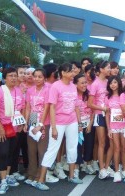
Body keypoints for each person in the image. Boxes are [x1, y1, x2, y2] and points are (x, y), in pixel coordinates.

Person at [36, 63, 83, 191]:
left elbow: (76, 105)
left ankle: (72, 176)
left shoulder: (73, 87)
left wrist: (79, 123)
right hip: (59, 122)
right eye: (70, 72)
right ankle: (41, 180)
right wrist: (54, 127)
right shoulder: (56, 86)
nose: (72, 74)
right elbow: (52, 107)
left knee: (72, 148)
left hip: (72, 121)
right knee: (52, 149)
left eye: (73, 72)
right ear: (62, 73)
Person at [0, 67, 25, 194]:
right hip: (2, 128)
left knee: (11, 153)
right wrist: (0, 128)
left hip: (15, 128)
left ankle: (8, 176)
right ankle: (3, 181)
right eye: (10, 76)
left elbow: (21, 108)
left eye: (15, 75)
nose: (14, 78)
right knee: (3, 153)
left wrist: (22, 123)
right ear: (4, 78)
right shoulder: (0, 91)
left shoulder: (19, 91)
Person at [24, 69, 52, 186]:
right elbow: (28, 107)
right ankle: (31, 173)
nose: (37, 79)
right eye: (35, 76)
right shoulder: (30, 90)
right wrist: (26, 123)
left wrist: (40, 125)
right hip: (33, 119)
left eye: (40, 77)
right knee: (31, 149)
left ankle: (41, 175)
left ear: (44, 78)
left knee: (42, 150)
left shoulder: (48, 90)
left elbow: (46, 107)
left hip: (44, 122)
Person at [87, 60, 111, 179]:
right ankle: (101, 169)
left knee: (107, 141)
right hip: (98, 115)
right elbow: (90, 103)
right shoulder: (95, 84)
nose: (109, 69)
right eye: (107, 67)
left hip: (109, 115)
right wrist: (102, 108)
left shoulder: (109, 81)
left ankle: (106, 166)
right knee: (101, 142)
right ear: (101, 69)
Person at [105, 76, 125, 182]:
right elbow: (107, 114)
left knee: (124, 148)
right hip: (113, 127)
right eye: (111, 83)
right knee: (116, 148)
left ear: (119, 83)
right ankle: (116, 171)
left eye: (115, 82)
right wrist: (109, 129)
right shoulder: (107, 97)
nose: (113, 85)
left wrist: (123, 115)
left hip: (124, 125)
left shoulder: (123, 96)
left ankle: (124, 169)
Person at [73, 74, 96, 175]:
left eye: (85, 82)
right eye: (82, 83)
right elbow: (75, 110)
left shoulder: (89, 95)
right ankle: (76, 167)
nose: (84, 85)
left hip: (88, 123)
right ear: (75, 84)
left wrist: (90, 124)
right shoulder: (73, 95)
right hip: (76, 124)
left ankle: (87, 164)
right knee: (77, 146)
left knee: (89, 144)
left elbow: (93, 110)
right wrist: (79, 125)